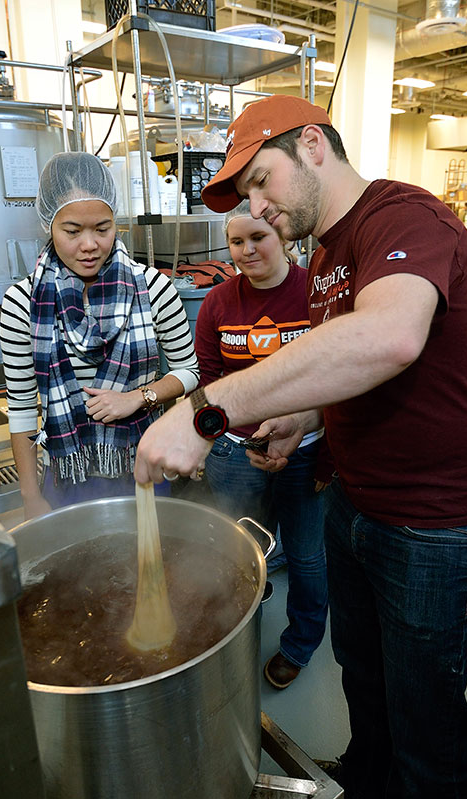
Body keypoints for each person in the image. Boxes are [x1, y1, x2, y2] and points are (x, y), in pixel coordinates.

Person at [133, 96, 467, 797]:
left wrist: (206, 410)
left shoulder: (403, 216)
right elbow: (360, 371)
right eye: (245, 195)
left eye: (261, 181)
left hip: (436, 525)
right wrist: (305, 417)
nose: (258, 207)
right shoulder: (331, 252)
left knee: (428, 720)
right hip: (357, 506)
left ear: (311, 145)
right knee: (366, 680)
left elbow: (390, 337)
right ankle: (368, 779)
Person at [0, 151, 198, 519]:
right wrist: (30, 497)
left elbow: (189, 371)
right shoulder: (22, 303)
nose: (89, 244)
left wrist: (139, 397)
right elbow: (23, 409)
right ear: (49, 225)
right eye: (72, 231)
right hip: (66, 474)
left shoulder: (153, 288)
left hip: (144, 462)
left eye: (102, 229)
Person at [194, 199, 327, 690]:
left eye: (259, 238)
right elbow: (207, 382)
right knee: (239, 550)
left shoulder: (315, 293)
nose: (247, 250)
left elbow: (336, 373)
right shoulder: (218, 303)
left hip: (306, 446)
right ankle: (236, 636)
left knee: (308, 553)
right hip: (236, 451)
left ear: (284, 235)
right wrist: (208, 441)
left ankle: (299, 644)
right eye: (236, 241)